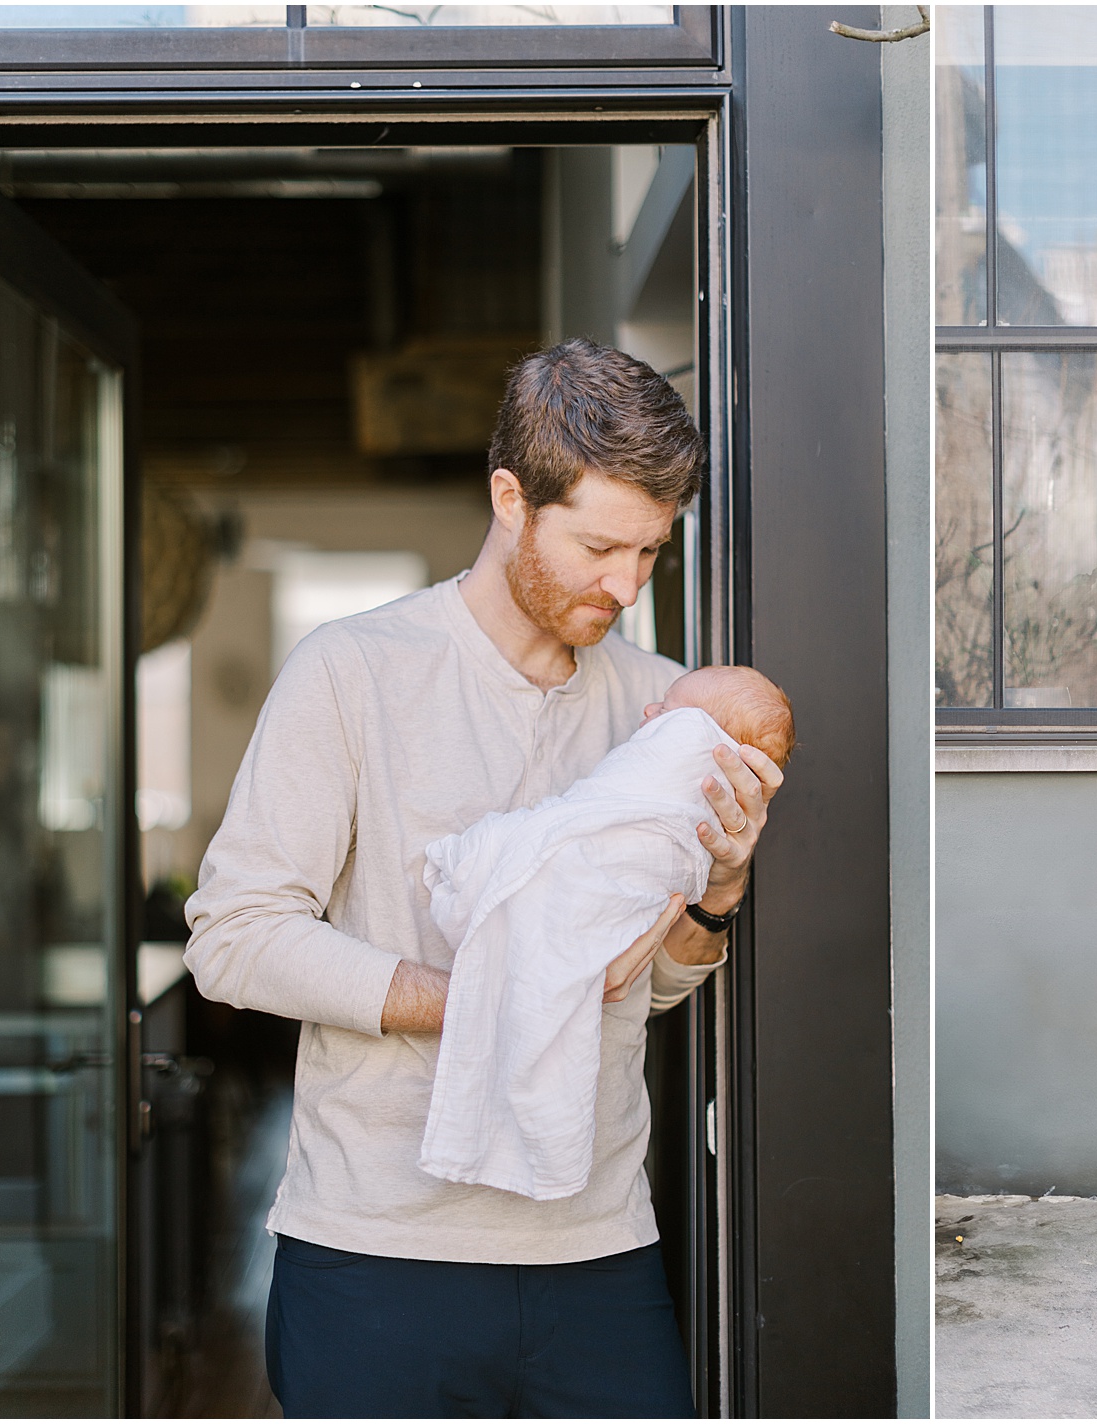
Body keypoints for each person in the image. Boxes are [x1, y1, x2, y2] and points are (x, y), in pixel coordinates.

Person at [184, 340, 784, 1417]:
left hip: (597, 1249)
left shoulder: (665, 712)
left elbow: (644, 989)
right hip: (374, 1254)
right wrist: (484, 997)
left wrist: (718, 893)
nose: (625, 584)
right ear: (510, 497)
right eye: (599, 545)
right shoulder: (352, 670)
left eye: (649, 553)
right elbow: (233, 936)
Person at [419, 666, 794, 1202]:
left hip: (607, 1218)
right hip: (388, 1224)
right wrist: (539, 988)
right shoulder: (350, 665)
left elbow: (650, 991)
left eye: (665, 712)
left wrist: (723, 883)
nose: (650, 714)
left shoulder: (686, 712)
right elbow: (252, 935)